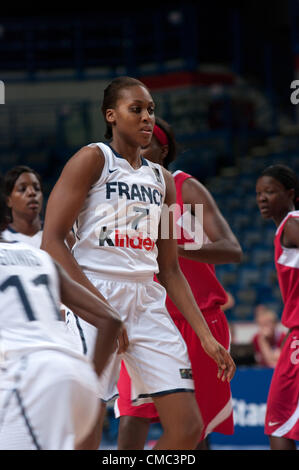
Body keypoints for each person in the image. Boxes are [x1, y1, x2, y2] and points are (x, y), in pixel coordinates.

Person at [41, 76, 236, 450]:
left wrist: (206, 338)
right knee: (86, 430)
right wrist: (102, 313)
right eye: (137, 110)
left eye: (151, 110)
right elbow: (52, 241)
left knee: (187, 428)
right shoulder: (93, 159)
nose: (147, 118)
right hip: (94, 293)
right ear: (111, 115)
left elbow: (171, 268)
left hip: (147, 298)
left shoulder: (162, 179)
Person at [114, 116, 242, 450]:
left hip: (197, 320)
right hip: (147, 320)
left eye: (145, 144)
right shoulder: (126, 198)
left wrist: (174, 246)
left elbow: (231, 249)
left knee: (193, 435)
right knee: (131, 420)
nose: (137, 151)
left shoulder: (186, 187)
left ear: (163, 148)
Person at [0, 176, 122, 450]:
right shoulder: (40, 257)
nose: (31, 194)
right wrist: (89, 383)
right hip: (75, 372)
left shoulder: (46, 243)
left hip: (30, 376)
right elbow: (111, 319)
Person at [256, 163, 299, 450]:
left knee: (279, 421)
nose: (262, 198)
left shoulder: (291, 224)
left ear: (290, 194)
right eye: (259, 192)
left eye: (270, 192)